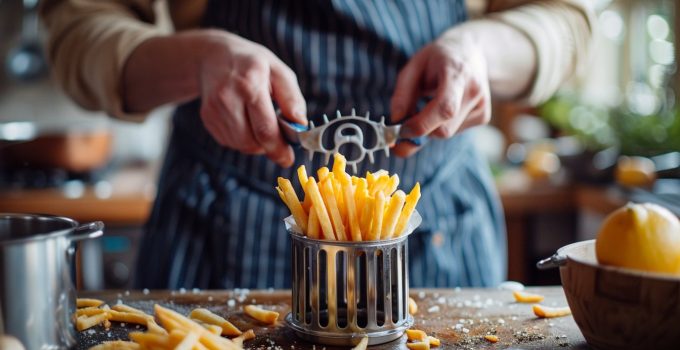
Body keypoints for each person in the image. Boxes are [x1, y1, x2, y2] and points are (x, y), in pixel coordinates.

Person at [41, 0, 593, 289]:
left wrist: (481, 50)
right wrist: (195, 61)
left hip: (436, 216)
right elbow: (78, 26)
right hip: (221, 216)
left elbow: (567, 17)